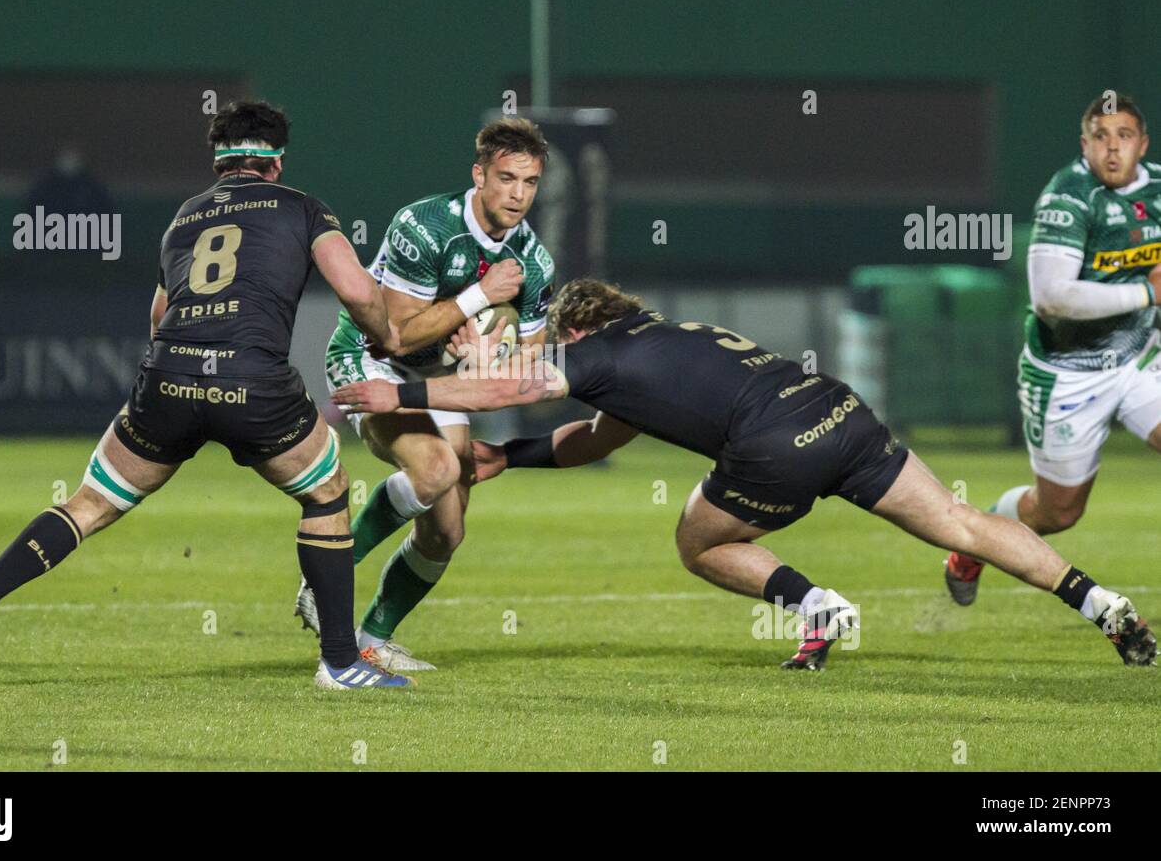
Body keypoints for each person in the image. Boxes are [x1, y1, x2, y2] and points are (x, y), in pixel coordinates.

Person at [332, 278, 1157, 669]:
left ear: (578, 329)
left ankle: (817, 605)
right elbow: (597, 436)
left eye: (556, 330)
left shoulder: (597, 351)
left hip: (774, 444)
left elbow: (511, 383)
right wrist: (512, 458)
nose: (551, 338)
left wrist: (396, 389)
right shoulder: (669, 335)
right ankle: (1099, 601)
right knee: (962, 523)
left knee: (697, 539)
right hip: (840, 410)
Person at [0, 101, 411, 689]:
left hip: (168, 376)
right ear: (277, 162)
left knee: (88, 505)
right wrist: (386, 335)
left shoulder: (186, 217)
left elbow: (159, 315)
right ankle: (342, 663)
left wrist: (184, 389)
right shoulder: (303, 208)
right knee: (328, 493)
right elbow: (355, 289)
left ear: (219, 161)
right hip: (253, 382)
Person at [309, 116, 555, 672]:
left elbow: (531, 363)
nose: (518, 195)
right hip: (368, 359)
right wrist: (478, 298)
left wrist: (489, 360)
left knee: (448, 529)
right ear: (479, 175)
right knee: (436, 468)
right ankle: (325, 572)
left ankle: (373, 637)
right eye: (507, 178)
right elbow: (390, 334)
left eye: (530, 182)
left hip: (440, 374)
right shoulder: (423, 226)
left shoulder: (535, 263)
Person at [946, 95, 1161, 605]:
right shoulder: (1068, 197)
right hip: (1067, 373)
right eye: (1100, 137)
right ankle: (971, 544)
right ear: (1085, 146)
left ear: (1143, 144)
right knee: (1057, 513)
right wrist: (1149, 293)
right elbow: (1052, 299)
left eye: (1124, 136)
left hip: (1139, 355)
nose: (1113, 149)